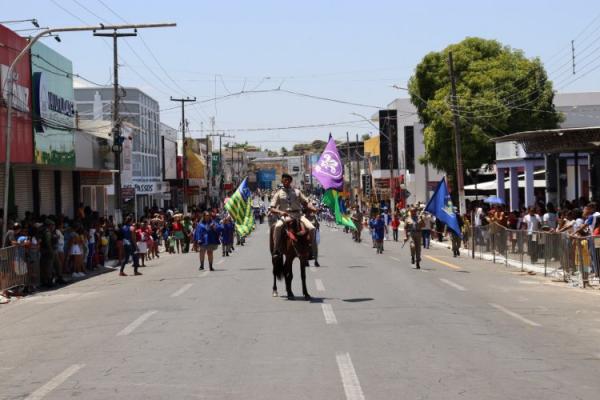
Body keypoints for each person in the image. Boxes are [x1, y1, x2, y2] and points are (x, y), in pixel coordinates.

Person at [269, 173, 316, 256]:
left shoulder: (297, 192)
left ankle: (311, 249)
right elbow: (272, 208)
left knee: (312, 228)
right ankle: (276, 250)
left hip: (299, 215)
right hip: (286, 216)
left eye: (288, 180)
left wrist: (313, 208)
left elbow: (306, 203)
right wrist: (281, 212)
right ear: (282, 181)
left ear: (291, 181)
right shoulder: (278, 193)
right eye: (285, 180)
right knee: (277, 227)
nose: (286, 181)